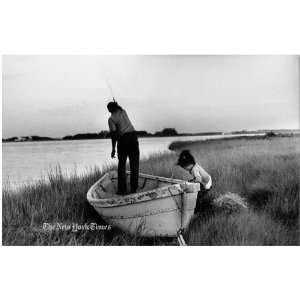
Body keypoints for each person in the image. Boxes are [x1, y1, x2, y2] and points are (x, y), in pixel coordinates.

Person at [107, 101, 139, 195]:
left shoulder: (111, 119)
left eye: (108, 109)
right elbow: (119, 107)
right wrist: (116, 103)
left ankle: (122, 190)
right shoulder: (123, 111)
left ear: (110, 109)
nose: (109, 111)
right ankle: (134, 189)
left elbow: (113, 134)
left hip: (123, 140)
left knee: (121, 165)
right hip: (133, 137)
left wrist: (113, 149)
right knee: (134, 165)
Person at [176, 149, 213, 214]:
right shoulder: (194, 166)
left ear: (189, 164)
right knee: (198, 192)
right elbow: (197, 177)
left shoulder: (194, 170)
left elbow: (199, 179)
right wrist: (192, 180)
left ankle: (201, 209)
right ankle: (202, 205)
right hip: (207, 179)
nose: (185, 170)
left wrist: (192, 182)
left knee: (198, 196)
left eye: (185, 168)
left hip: (206, 183)